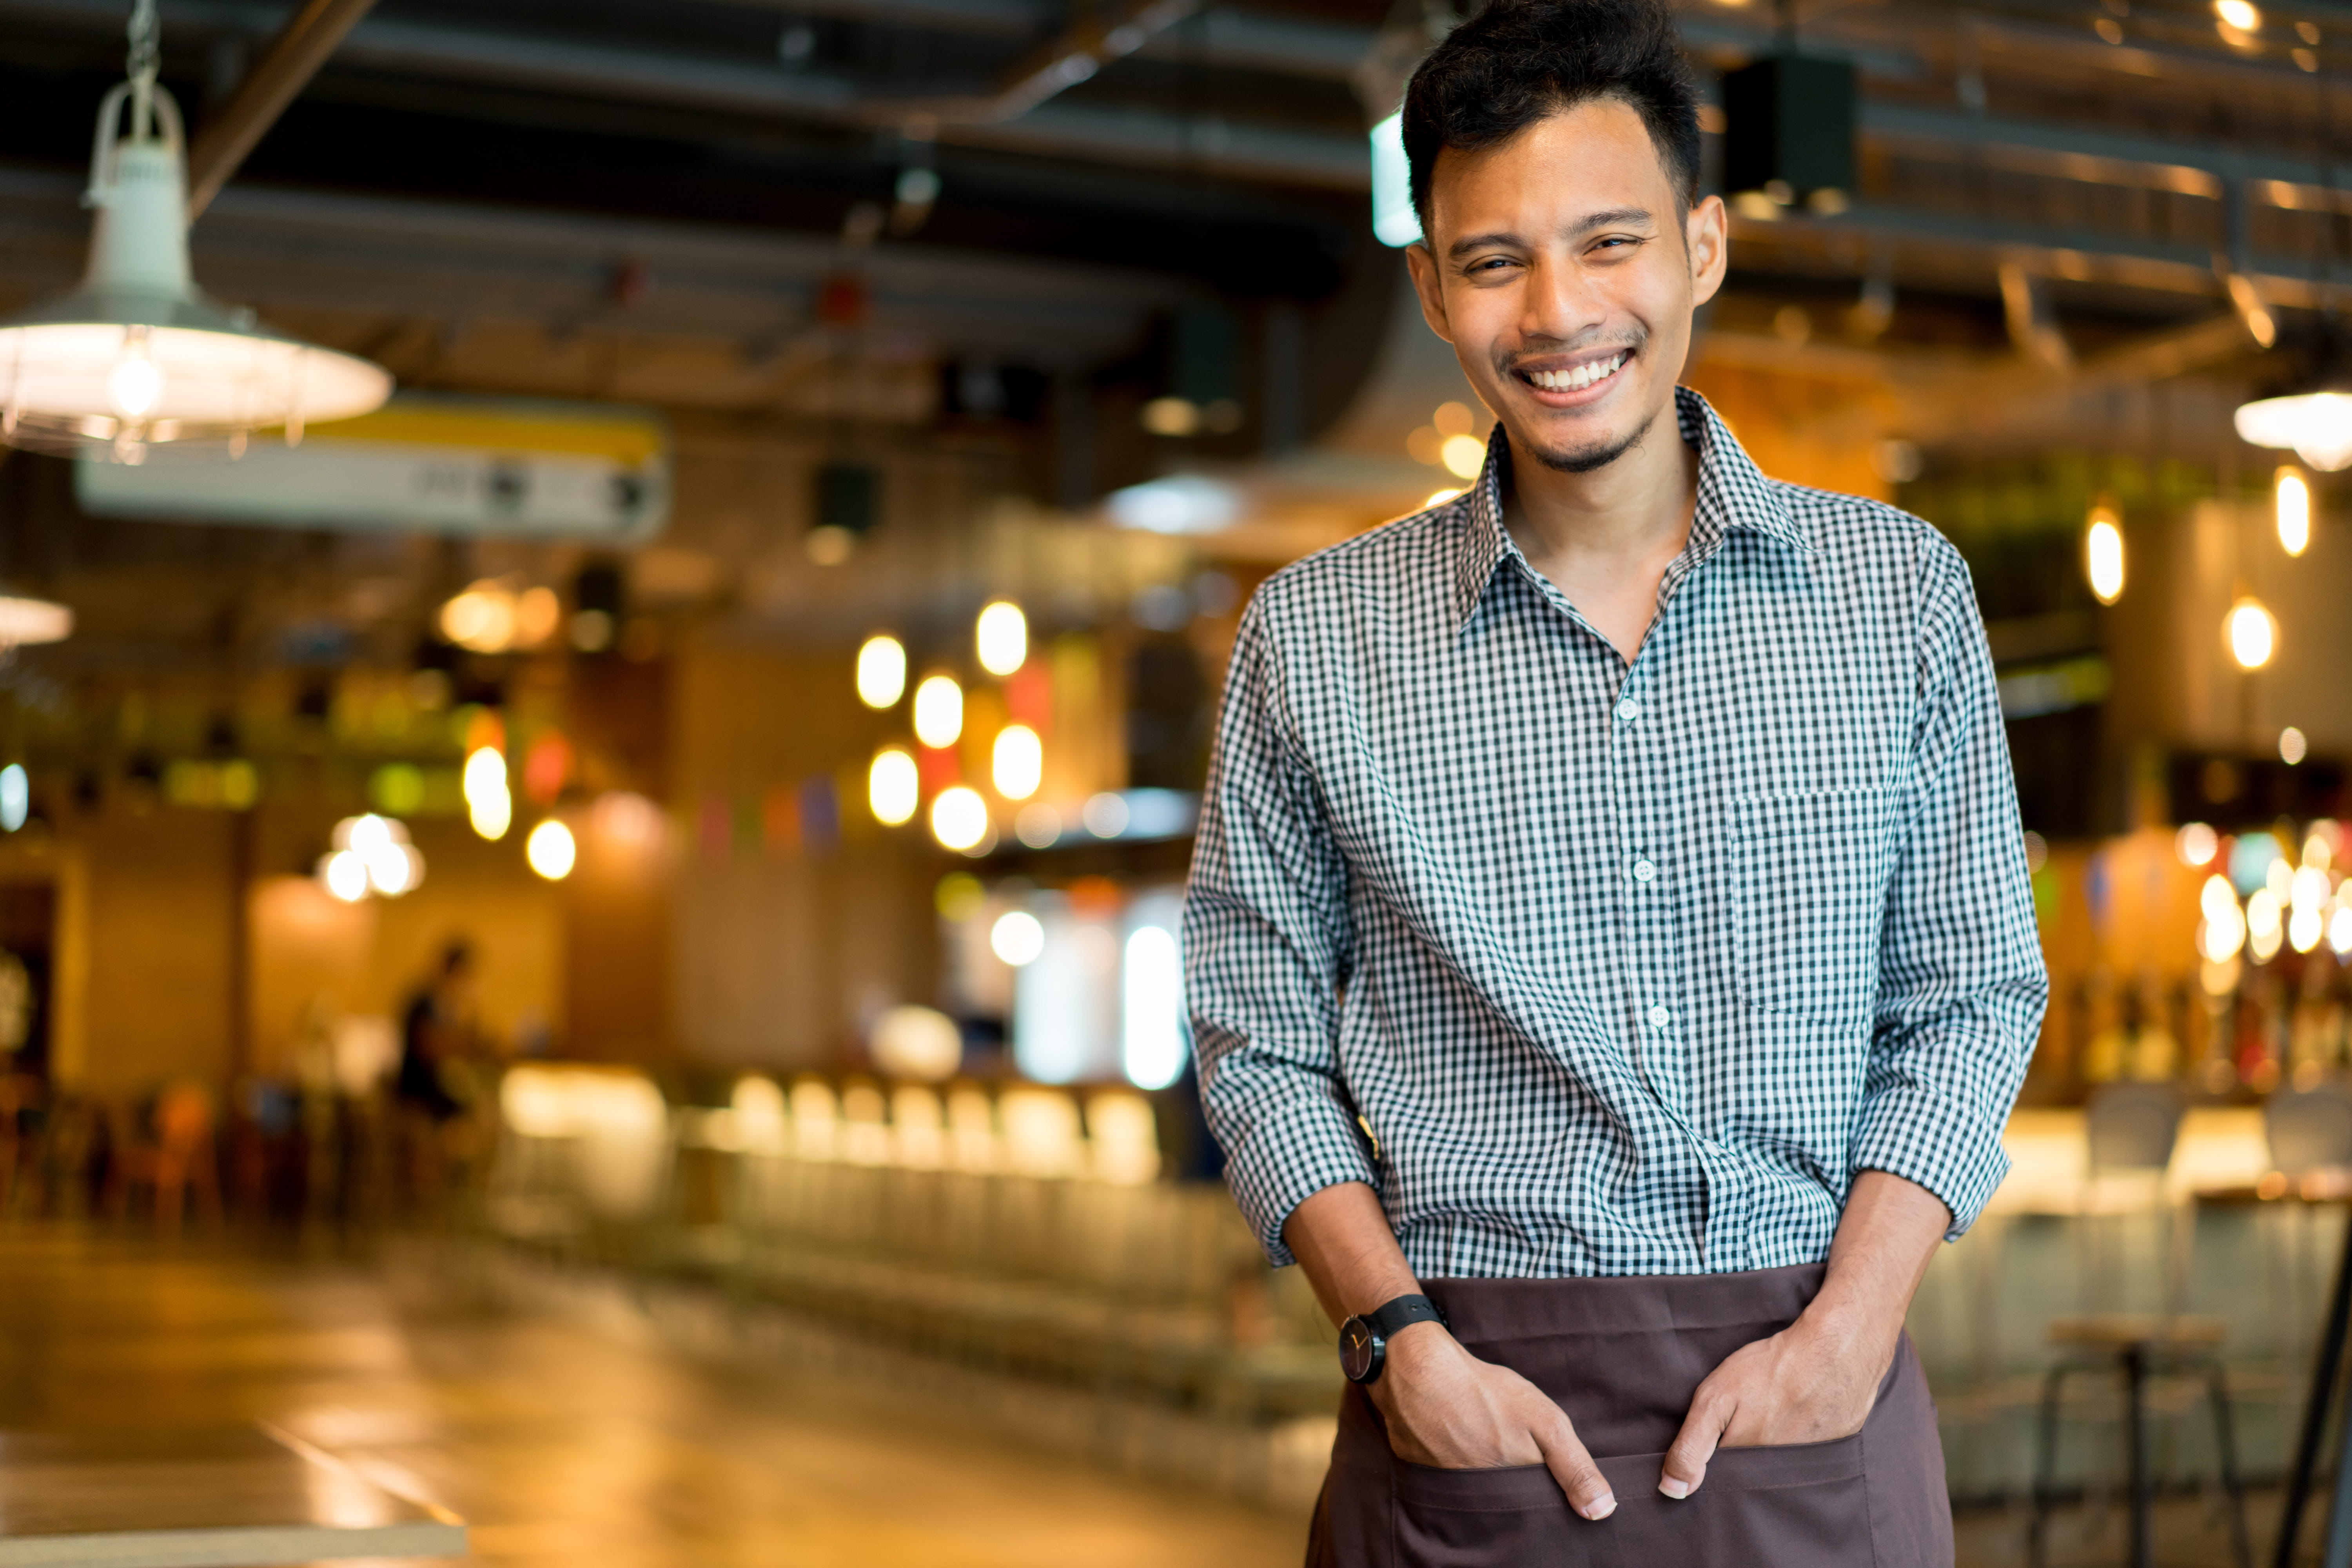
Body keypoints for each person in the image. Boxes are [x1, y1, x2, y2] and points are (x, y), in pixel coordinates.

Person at [1181, 2, 2047, 1561]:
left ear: (1703, 246)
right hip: (1464, 1408)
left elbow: (1972, 992)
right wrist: (1399, 1344)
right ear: (1432, 289)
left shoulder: (1896, 595)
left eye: (1610, 243)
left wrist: (1855, 1325)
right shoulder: (1311, 639)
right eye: (1496, 260)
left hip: (1815, 1393)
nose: (1560, 312)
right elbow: (1254, 1038)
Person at [396, 940, 476, 1125]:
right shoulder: (424, 1002)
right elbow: (429, 1049)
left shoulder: (445, 1004)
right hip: (418, 1092)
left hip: (434, 1089)